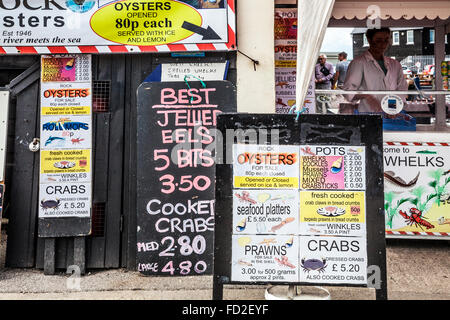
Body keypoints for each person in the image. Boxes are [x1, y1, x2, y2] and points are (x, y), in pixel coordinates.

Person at [343, 27, 408, 113]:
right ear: (369, 40)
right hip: (368, 113)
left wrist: (392, 109)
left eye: (386, 40)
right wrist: (366, 96)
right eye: (378, 40)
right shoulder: (358, 63)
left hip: (392, 115)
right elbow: (348, 91)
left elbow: (401, 89)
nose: (383, 44)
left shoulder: (395, 64)